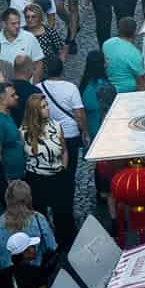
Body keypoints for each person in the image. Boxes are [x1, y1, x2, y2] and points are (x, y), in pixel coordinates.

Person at [16, 93, 71, 235]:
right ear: (35, 111)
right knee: (39, 215)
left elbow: (64, 151)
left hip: (57, 177)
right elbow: (21, 156)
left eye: (47, 106)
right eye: (43, 107)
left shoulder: (56, 127)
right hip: (36, 179)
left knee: (63, 213)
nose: (47, 109)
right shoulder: (23, 132)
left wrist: (63, 168)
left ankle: (65, 242)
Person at [37, 54, 86, 188]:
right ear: (61, 69)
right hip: (70, 134)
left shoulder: (38, 88)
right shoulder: (71, 87)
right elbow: (79, 114)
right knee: (70, 171)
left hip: (49, 135)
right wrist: (85, 132)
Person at [0, 82, 26, 181]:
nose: (17, 97)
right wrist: (5, 181)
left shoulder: (7, 113)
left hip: (18, 175)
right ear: (1, 99)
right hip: (9, 179)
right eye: (12, 95)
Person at [103, 16, 145, 95]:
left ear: (118, 29)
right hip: (128, 91)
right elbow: (142, 82)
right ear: (134, 32)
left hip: (109, 88)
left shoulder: (107, 44)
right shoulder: (135, 54)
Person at [24, 2, 65, 69]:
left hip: (48, 70)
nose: (30, 20)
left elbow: (61, 49)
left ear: (40, 17)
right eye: (27, 17)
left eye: (33, 17)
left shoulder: (50, 32)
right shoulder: (21, 33)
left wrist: (58, 67)